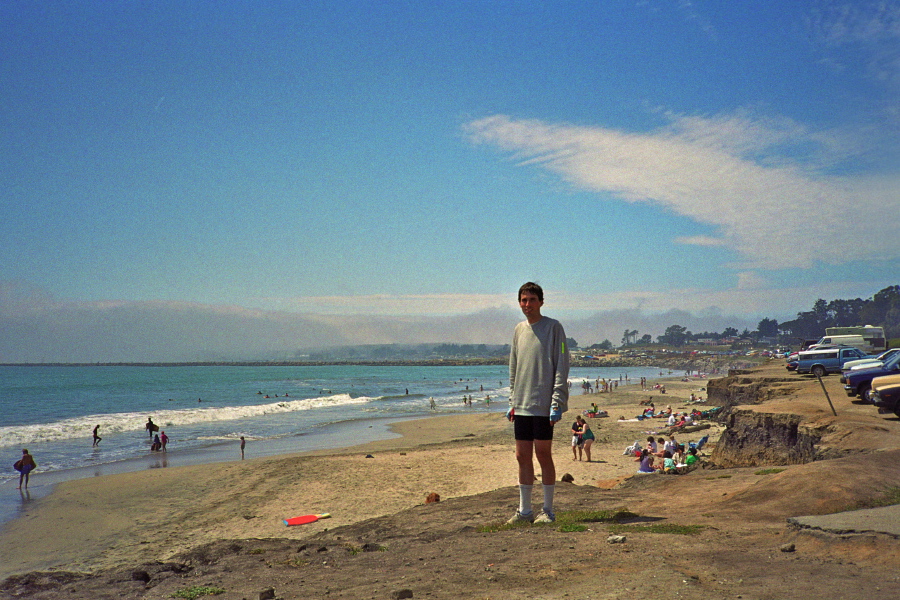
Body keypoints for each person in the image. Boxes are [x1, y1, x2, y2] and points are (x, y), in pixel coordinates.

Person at [506, 282, 570, 524]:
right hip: (521, 404)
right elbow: (514, 366)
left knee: (543, 455)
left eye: (532, 299)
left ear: (541, 302)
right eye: (523, 300)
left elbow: (562, 364)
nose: (527, 304)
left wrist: (557, 401)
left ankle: (548, 510)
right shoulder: (518, 330)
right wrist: (511, 400)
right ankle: (524, 511)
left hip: (544, 405)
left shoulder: (554, 328)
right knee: (522, 456)